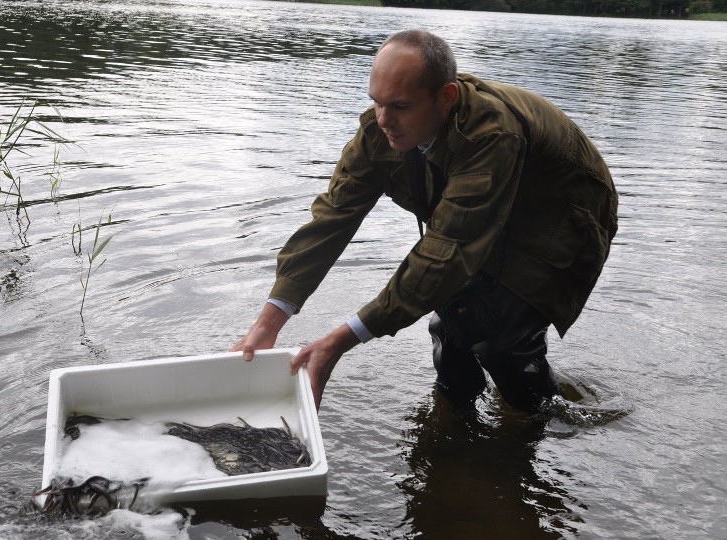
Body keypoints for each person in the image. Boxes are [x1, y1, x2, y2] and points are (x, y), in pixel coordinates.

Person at [232, 30, 618, 413]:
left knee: (502, 342)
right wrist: (270, 321)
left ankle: (543, 419)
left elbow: (444, 254)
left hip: (560, 215)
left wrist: (338, 342)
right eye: (376, 102)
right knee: (452, 326)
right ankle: (453, 421)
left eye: (399, 106)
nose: (384, 120)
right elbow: (333, 217)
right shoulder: (379, 130)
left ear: (446, 97)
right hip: (490, 205)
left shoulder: (490, 135)